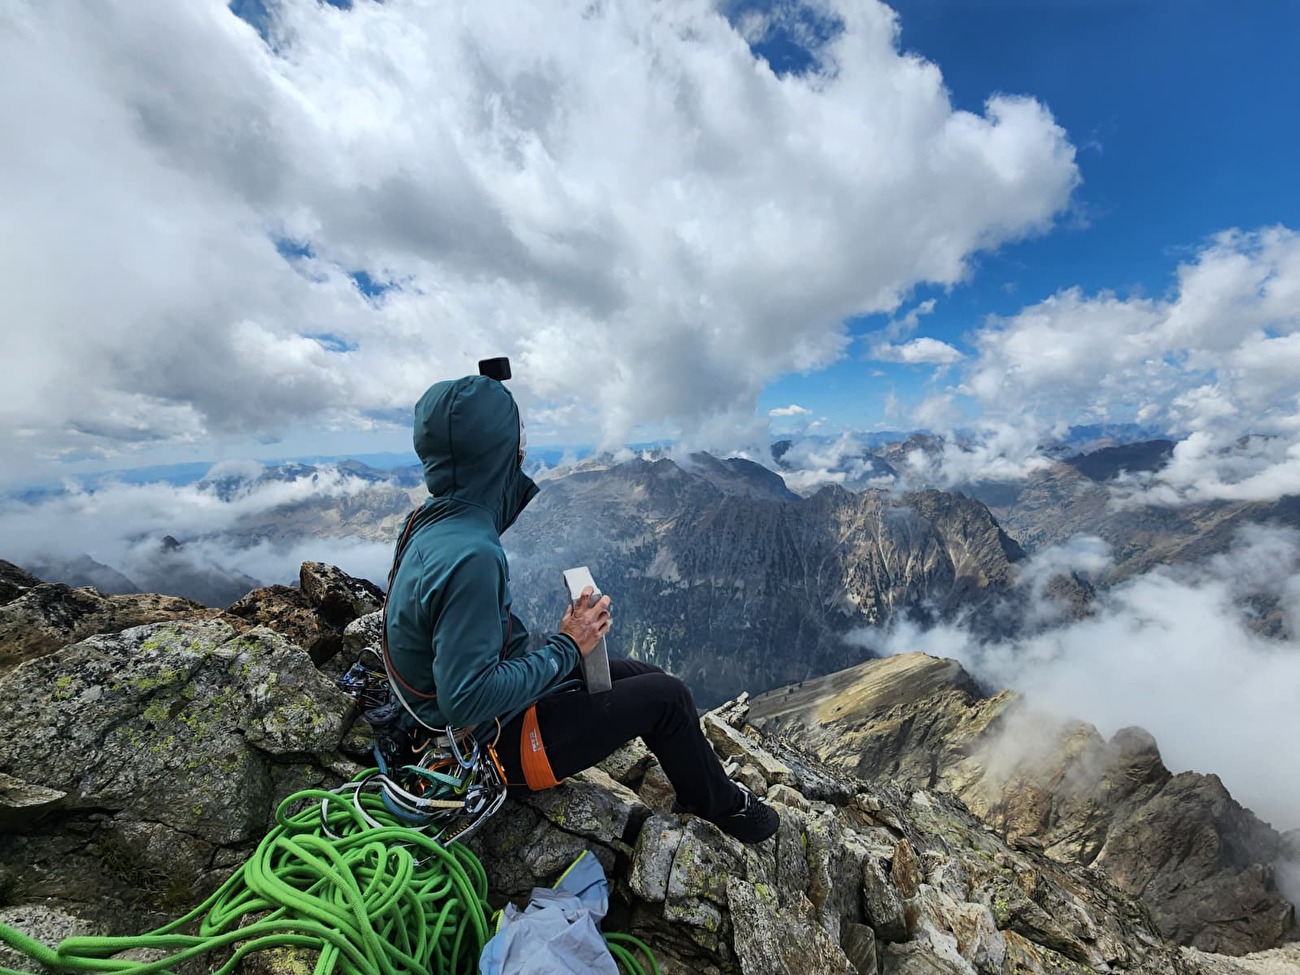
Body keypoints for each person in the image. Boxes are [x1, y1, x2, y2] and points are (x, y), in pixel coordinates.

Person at [383, 370, 779, 844]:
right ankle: (722, 808)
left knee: (643, 673)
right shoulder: (473, 554)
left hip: (469, 721)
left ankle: (701, 783)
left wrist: (569, 640)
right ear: (495, 456)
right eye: (515, 444)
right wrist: (568, 645)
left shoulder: (430, 520)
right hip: (485, 747)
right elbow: (465, 699)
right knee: (668, 698)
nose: (522, 456)